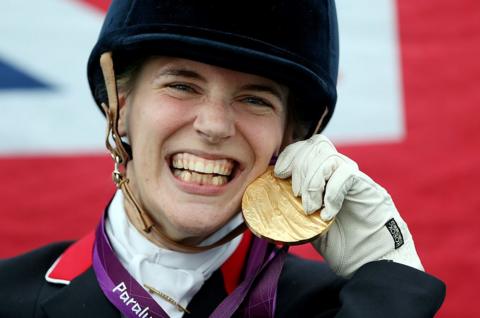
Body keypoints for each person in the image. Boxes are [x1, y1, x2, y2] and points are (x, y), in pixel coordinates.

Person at [0, 1, 445, 317]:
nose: (214, 126)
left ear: (291, 137)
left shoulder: (342, 307)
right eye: (181, 85)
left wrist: (391, 281)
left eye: (255, 99)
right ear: (120, 106)